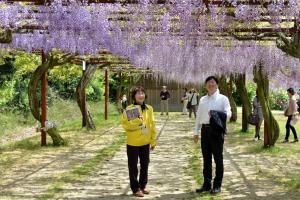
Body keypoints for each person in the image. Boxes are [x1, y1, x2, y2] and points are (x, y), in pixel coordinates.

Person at [194, 76, 231, 194]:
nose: (211, 84)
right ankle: (206, 184)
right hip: (205, 130)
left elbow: (228, 113)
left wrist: (216, 114)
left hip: (216, 132)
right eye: (208, 83)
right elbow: (198, 116)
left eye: (213, 83)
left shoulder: (223, 99)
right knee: (206, 159)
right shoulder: (202, 100)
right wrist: (196, 132)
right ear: (206, 85)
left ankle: (217, 185)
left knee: (218, 159)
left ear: (217, 85)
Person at [121, 86, 157, 197]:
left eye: (142, 93)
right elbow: (126, 126)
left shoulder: (149, 108)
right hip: (133, 142)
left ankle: (143, 185)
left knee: (145, 164)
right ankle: (135, 188)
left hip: (145, 142)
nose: (141, 95)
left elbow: (152, 125)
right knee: (133, 166)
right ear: (134, 96)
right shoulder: (129, 109)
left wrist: (153, 140)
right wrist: (137, 121)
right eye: (138, 93)